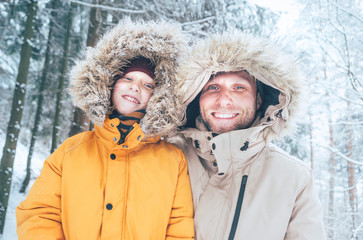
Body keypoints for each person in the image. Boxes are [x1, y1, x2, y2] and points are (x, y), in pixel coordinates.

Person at [16, 18, 194, 240]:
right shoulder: (70, 151)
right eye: (127, 77)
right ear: (109, 83)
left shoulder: (173, 160)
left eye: (147, 84)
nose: (135, 87)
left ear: (159, 97)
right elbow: (39, 214)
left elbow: (180, 228)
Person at [171, 31, 326, 240]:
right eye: (213, 87)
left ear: (259, 100)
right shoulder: (168, 157)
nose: (224, 100)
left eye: (239, 88)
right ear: (196, 98)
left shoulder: (293, 178)